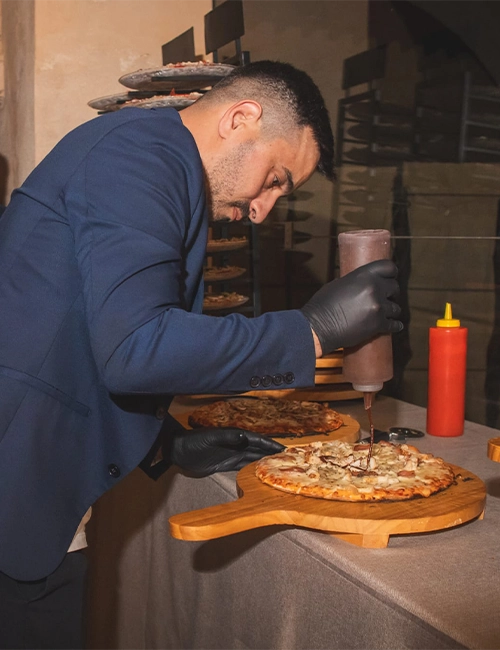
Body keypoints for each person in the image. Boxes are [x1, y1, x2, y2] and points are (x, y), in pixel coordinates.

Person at [0, 60, 402, 649]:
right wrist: (312, 331)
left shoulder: (147, 156)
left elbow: (73, 332)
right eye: (275, 179)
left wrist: (165, 443)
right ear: (241, 118)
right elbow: (136, 346)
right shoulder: (141, 155)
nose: (263, 210)